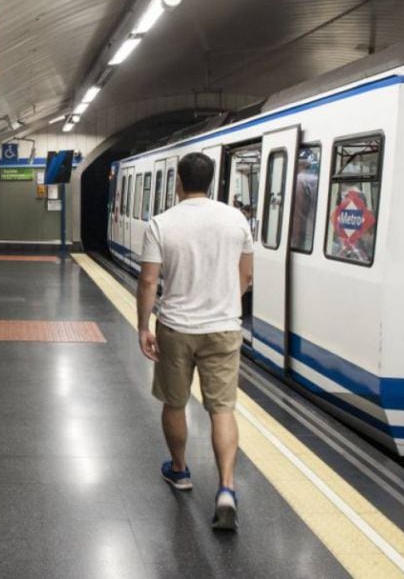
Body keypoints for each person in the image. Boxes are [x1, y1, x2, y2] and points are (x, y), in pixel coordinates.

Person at [137, 152, 254, 530]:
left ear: (177, 181)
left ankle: (181, 470)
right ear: (213, 180)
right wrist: (223, 305)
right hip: (223, 327)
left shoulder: (161, 223)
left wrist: (143, 326)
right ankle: (226, 489)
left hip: (176, 327)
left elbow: (149, 281)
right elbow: (246, 275)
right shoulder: (235, 219)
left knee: (175, 402)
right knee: (222, 409)